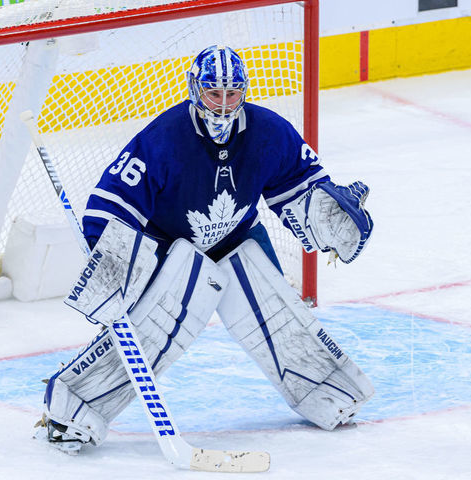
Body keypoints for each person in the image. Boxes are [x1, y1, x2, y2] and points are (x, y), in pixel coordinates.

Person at [37, 45, 375, 451]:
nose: (224, 104)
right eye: (215, 94)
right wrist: (109, 258)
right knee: (152, 331)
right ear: (196, 90)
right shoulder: (164, 139)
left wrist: (325, 214)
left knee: (279, 315)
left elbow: (301, 182)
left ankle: (328, 393)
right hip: (170, 247)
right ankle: (72, 411)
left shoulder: (268, 131)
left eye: (232, 94)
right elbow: (113, 202)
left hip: (238, 236)